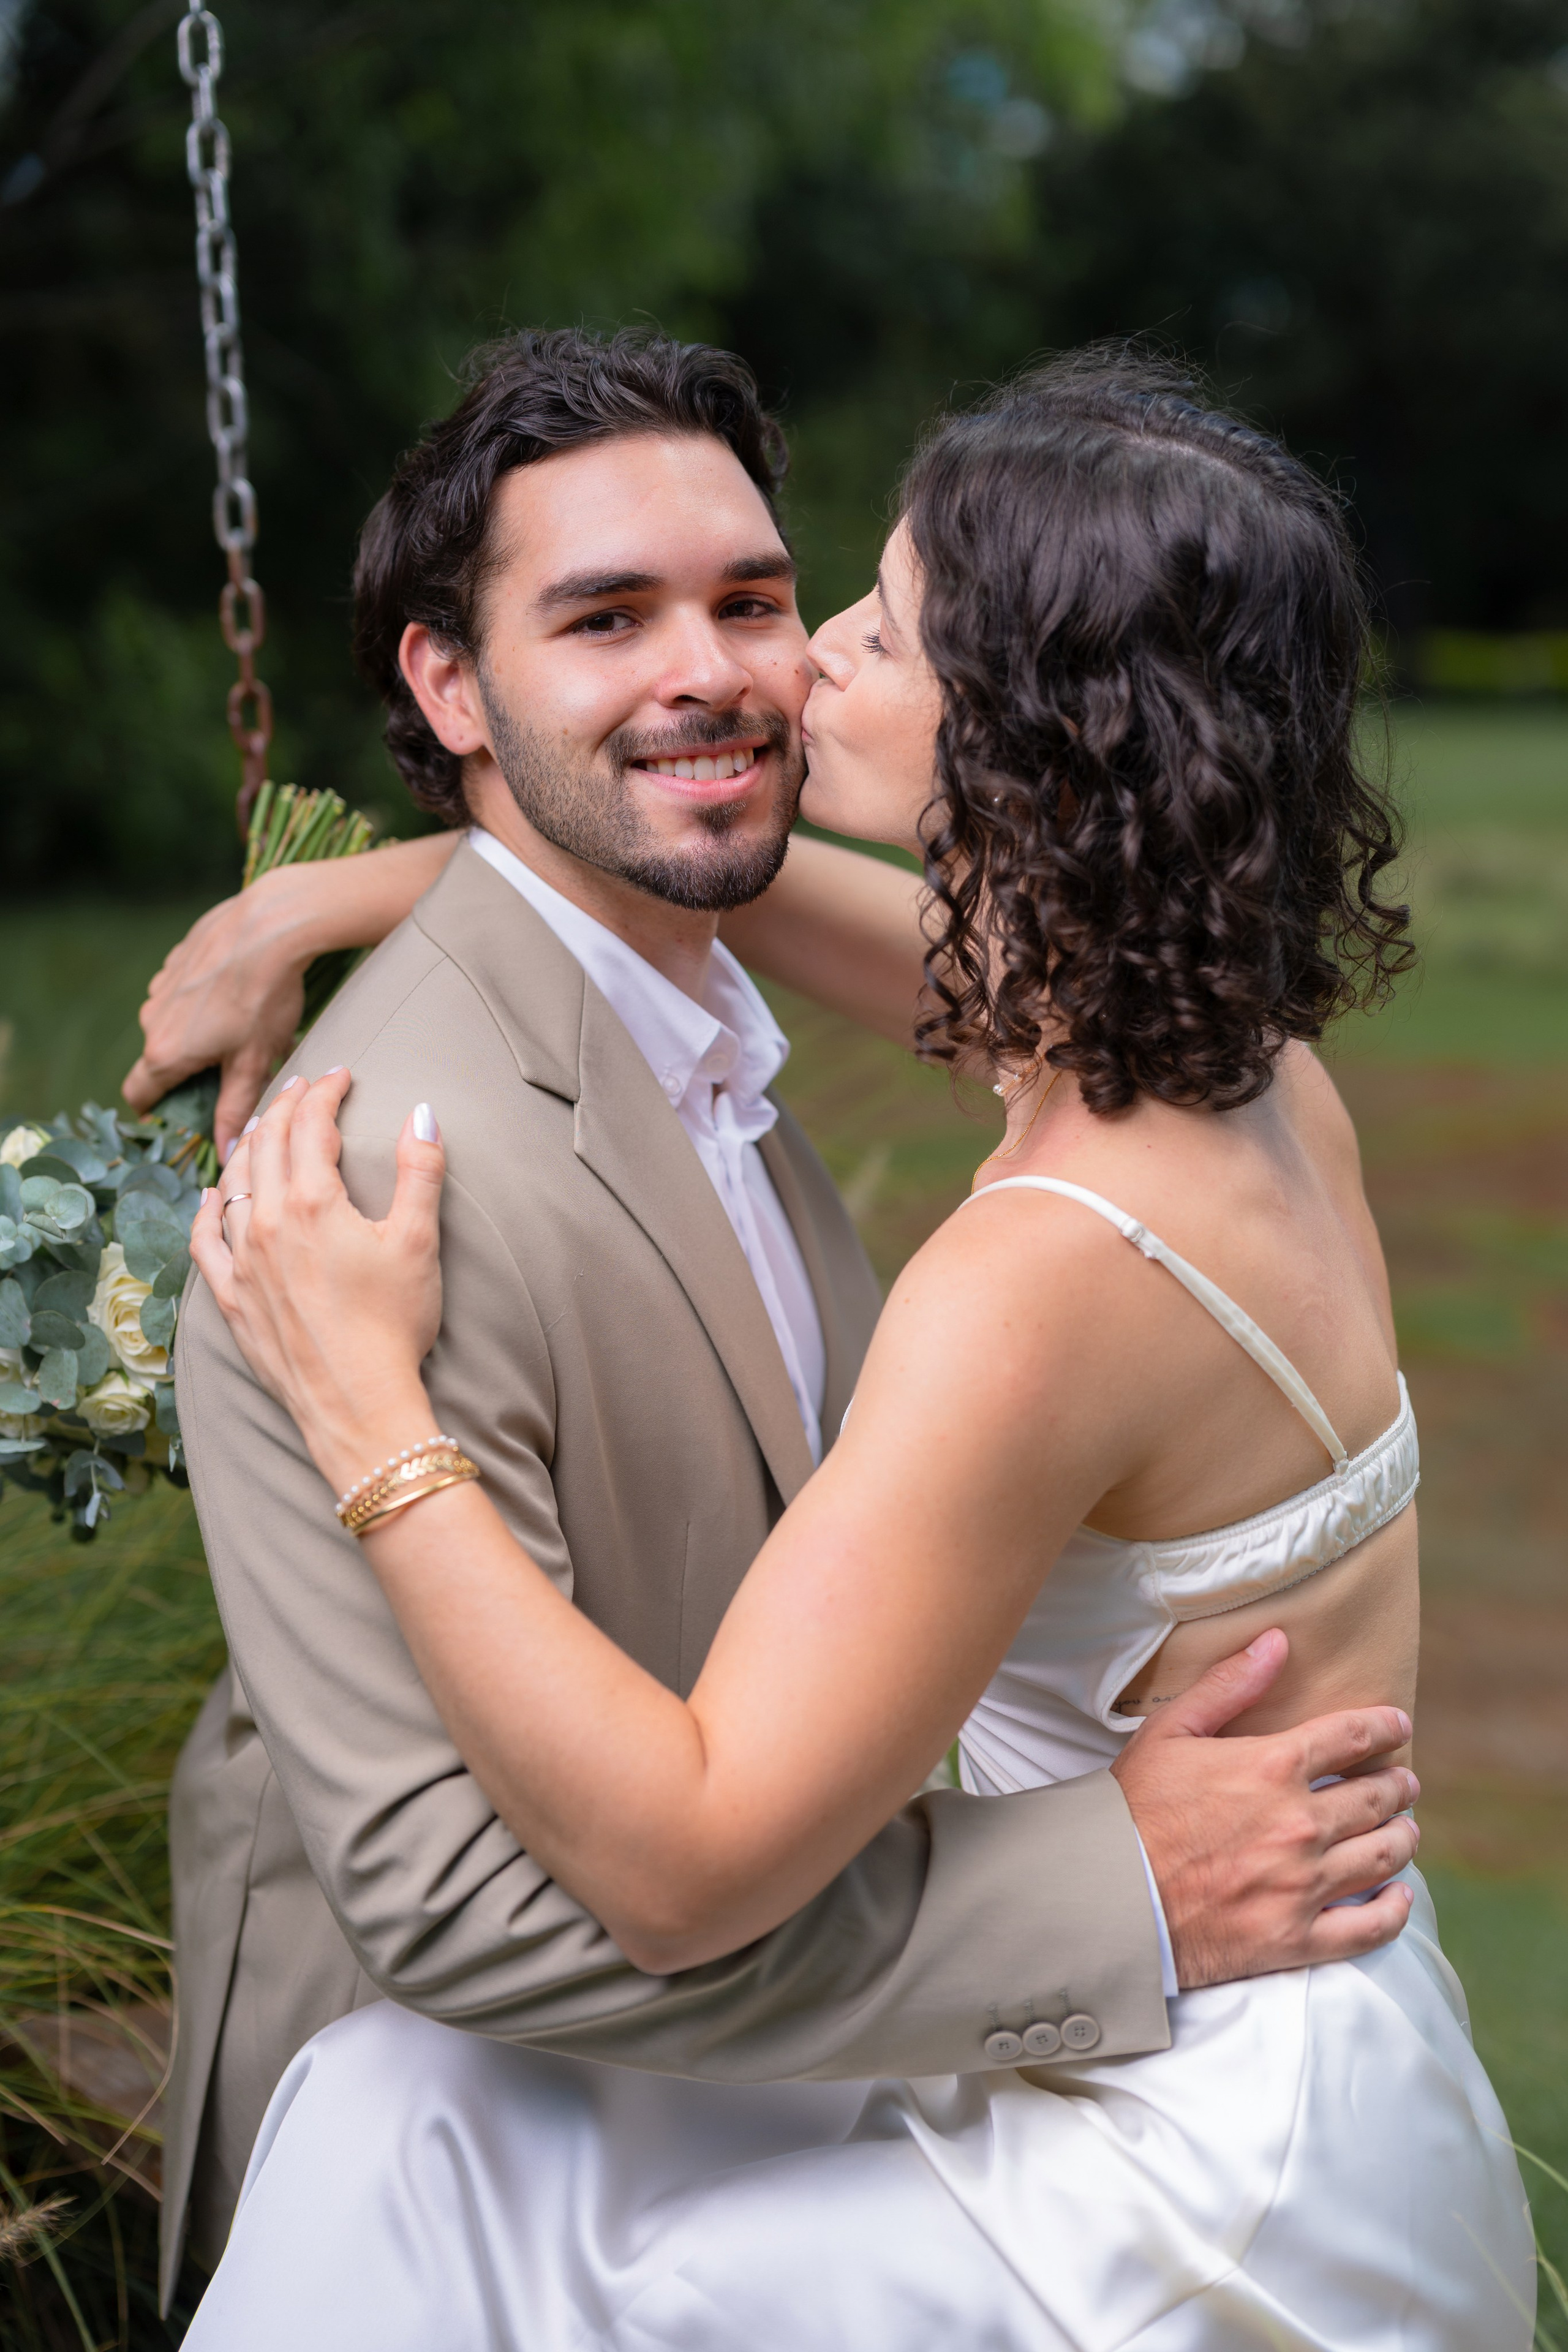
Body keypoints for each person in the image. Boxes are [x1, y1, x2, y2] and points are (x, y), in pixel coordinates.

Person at [172, 342, 1532, 2345]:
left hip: (1174, 2184)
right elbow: (772, 904)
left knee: (410, 2171)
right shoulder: (1236, 1066)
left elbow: (691, 1858)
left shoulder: (1048, 1272)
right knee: (420, 2131)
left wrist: (374, 1413)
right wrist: (410, 879)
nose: (798, 657)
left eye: (871, 627)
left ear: (1018, 743)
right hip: (1325, 2067)